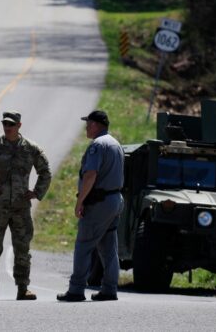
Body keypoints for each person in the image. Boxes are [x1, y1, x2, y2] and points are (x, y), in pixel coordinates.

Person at [0, 111, 51, 301]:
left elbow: (45, 172)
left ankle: (23, 288)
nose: (7, 127)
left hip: (21, 208)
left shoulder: (31, 149)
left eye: (11, 124)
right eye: (5, 124)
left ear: (19, 126)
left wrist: (37, 192)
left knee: (22, 249)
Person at [57, 110, 124, 302]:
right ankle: (110, 289)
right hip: (115, 200)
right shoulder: (115, 143)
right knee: (108, 247)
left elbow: (90, 175)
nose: (86, 127)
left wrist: (80, 201)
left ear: (95, 125)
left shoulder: (98, 145)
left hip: (99, 203)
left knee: (84, 245)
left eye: (88, 123)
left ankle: (76, 290)